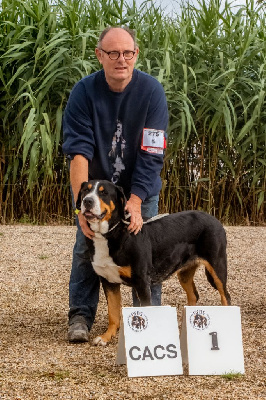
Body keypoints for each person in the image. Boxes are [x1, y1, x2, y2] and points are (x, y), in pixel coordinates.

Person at [63, 26, 168, 342]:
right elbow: (78, 152)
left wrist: (135, 200)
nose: (120, 59)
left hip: (139, 186)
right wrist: (83, 205)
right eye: (112, 53)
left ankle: (147, 324)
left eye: (127, 53)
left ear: (136, 54)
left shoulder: (152, 92)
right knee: (86, 248)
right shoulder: (84, 92)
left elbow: (152, 152)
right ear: (100, 55)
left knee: (145, 252)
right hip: (98, 190)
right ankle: (80, 317)